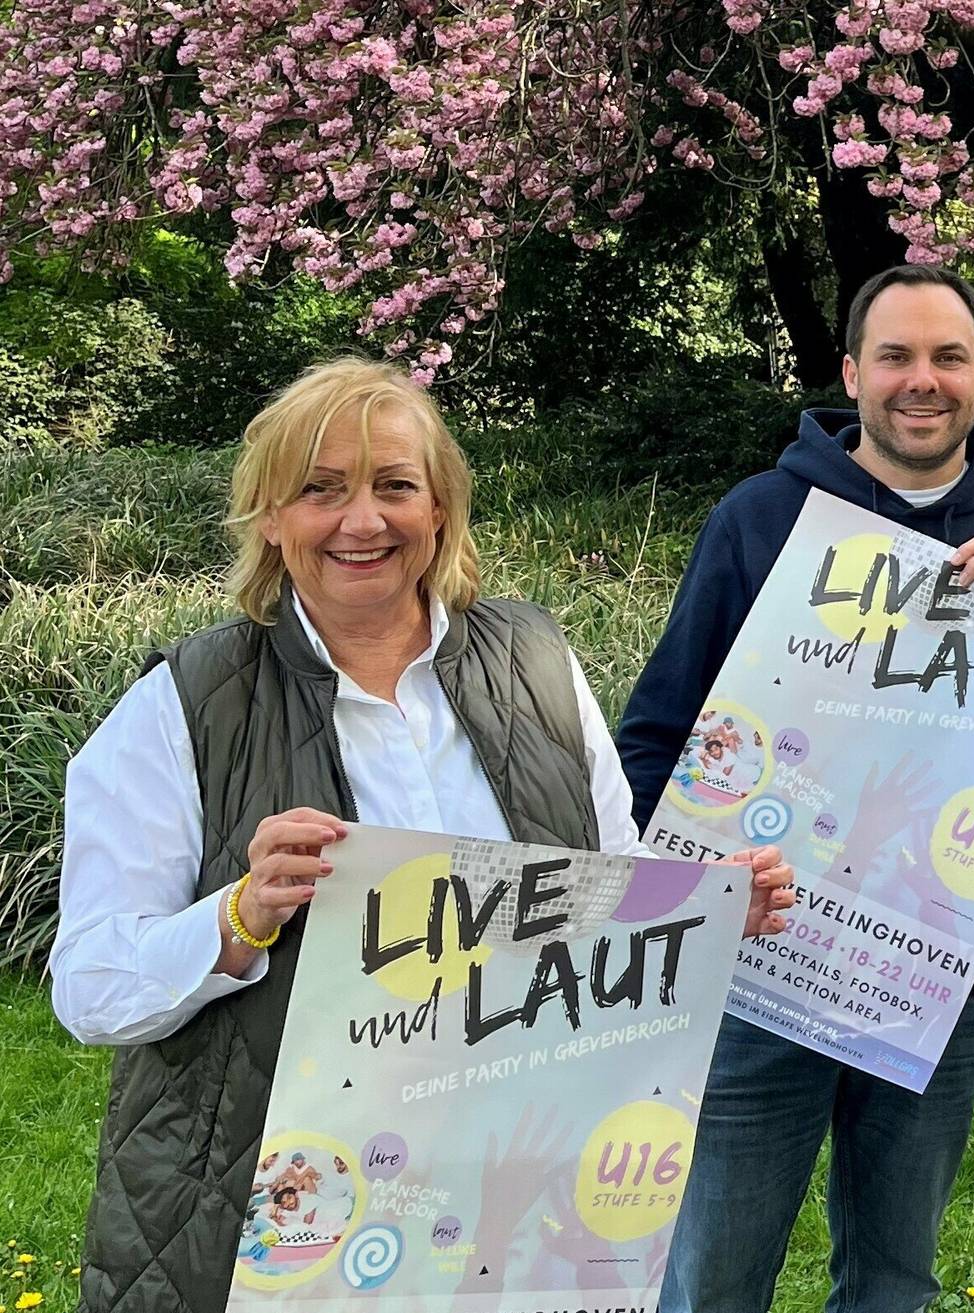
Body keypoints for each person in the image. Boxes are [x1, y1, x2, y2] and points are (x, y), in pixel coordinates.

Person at [50, 357, 795, 1313]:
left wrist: (708, 904)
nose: (363, 521)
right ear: (270, 517)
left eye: (395, 485)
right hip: (272, 1215)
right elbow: (90, 987)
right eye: (322, 489)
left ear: (439, 507)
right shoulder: (183, 705)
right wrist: (236, 916)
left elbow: (613, 880)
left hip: (509, 1189)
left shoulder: (534, 658)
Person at [616, 263, 974, 1313]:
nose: (923, 380)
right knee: (712, 1276)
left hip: (929, 976)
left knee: (894, 1279)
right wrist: (692, 883)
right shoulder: (761, 519)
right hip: (763, 964)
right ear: (852, 372)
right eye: (896, 355)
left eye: (949, 356)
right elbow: (655, 736)